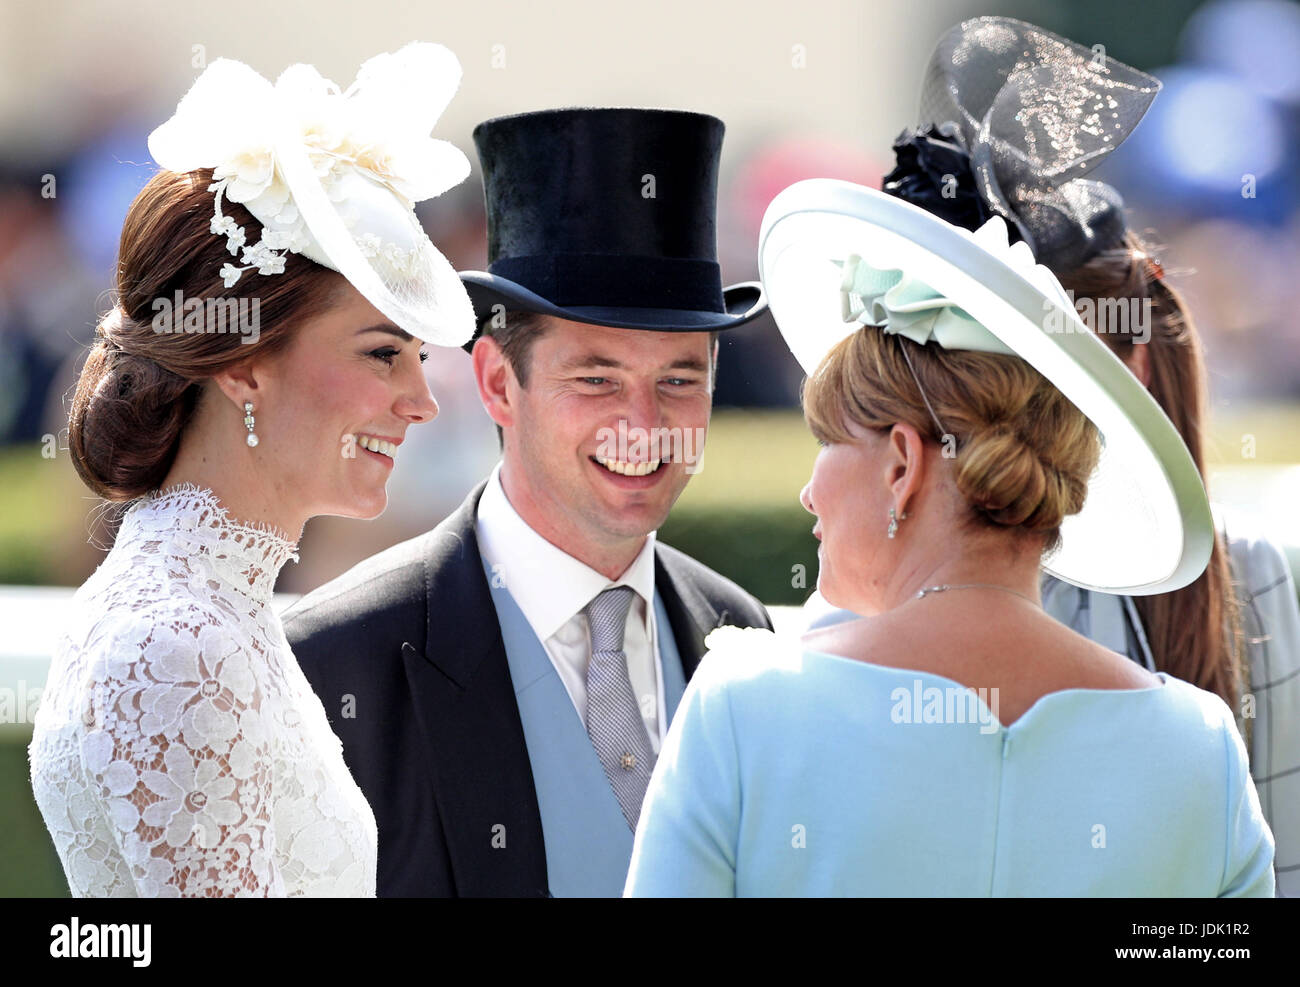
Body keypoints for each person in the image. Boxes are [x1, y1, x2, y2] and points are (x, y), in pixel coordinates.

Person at [625, 18, 1275, 897]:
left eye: (829, 443)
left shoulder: (744, 708)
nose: (811, 490)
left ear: (902, 463)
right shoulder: (1198, 748)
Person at [282, 108, 772, 897]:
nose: (643, 425)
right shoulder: (336, 662)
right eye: (596, 377)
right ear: (496, 383)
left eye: (679, 379)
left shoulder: (738, 629)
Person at [28, 43, 476, 897]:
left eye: (418, 356)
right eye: (383, 354)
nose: (422, 400)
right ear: (242, 361)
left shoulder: (212, 604)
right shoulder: (179, 638)